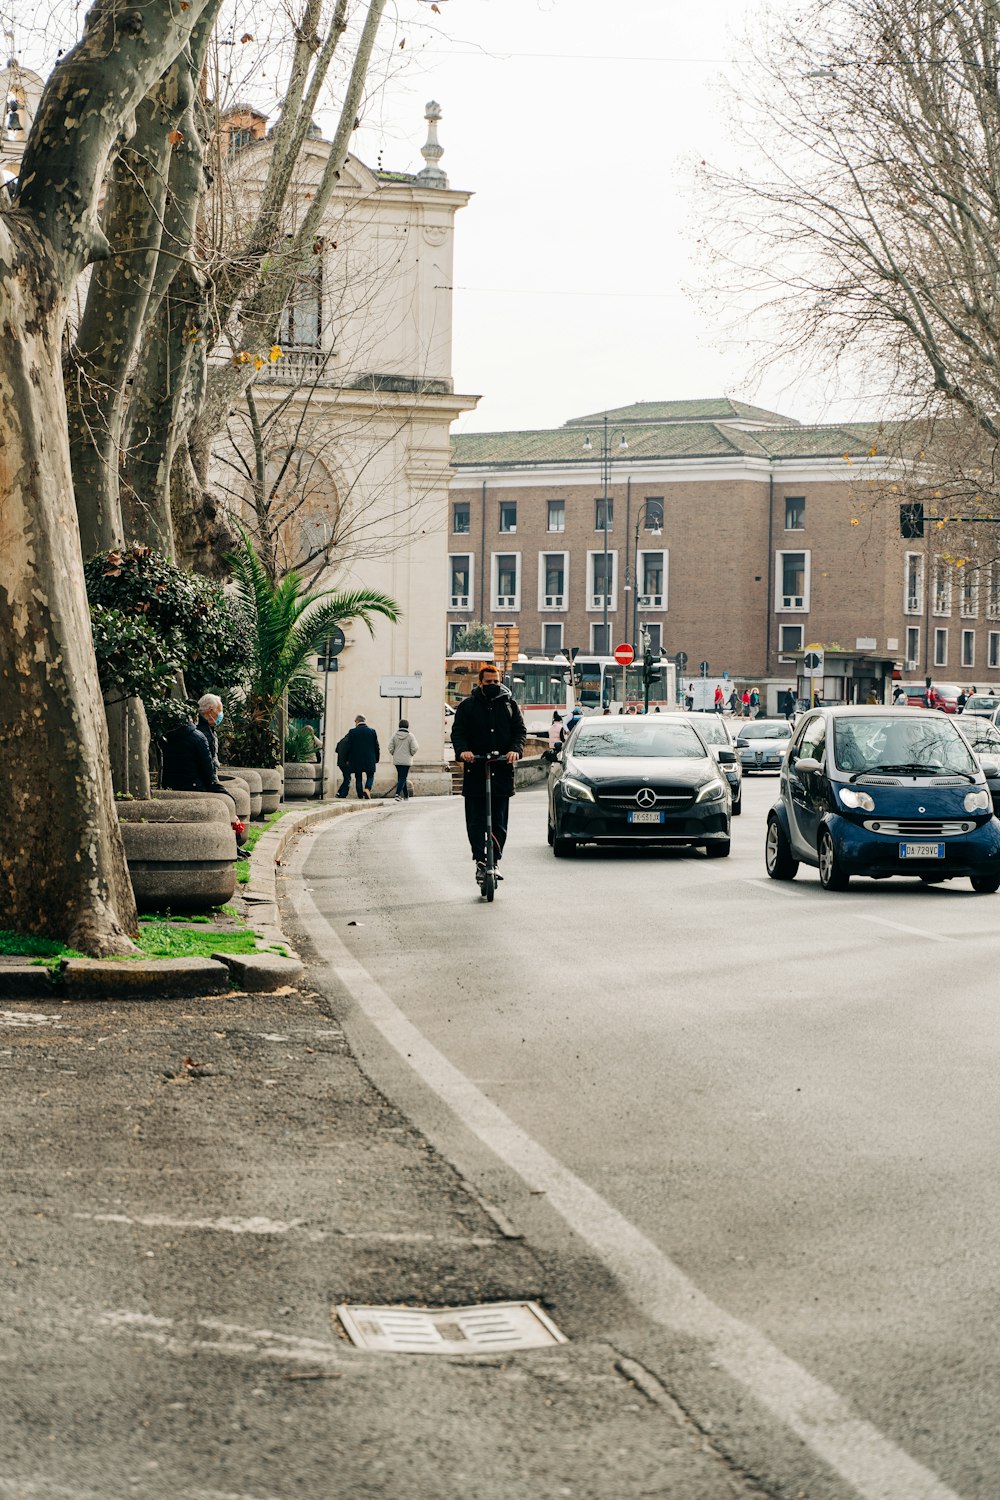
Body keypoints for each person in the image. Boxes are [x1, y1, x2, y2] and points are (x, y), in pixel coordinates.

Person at [450, 663, 526, 880]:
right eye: (488, 682)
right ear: (480, 683)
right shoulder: (468, 706)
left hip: (501, 771)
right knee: (475, 820)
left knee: (500, 820)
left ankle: (496, 859)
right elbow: (459, 732)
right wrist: (463, 751)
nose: (492, 685)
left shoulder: (510, 705)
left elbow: (519, 732)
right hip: (476, 771)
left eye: (496, 681)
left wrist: (514, 750)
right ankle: (480, 860)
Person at [160, 714, 227, 796]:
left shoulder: (165, 738)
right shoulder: (198, 738)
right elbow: (207, 767)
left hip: (169, 787)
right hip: (194, 787)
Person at [343, 714, 380, 799]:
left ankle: (360, 796)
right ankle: (367, 789)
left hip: (356, 759)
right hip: (370, 758)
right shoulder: (372, 731)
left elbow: (348, 747)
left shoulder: (352, 732)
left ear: (357, 721)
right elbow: (376, 746)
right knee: (370, 776)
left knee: (358, 777)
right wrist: (377, 758)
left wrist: (346, 759)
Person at [388, 719, 419, 801]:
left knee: (401, 777)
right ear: (407, 726)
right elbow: (415, 748)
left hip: (397, 760)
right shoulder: (410, 736)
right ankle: (397, 794)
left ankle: (406, 795)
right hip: (406, 760)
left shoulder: (394, 735)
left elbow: (390, 747)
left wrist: (394, 754)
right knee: (403, 777)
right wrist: (411, 754)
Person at [196, 693, 224, 772]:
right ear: (210, 711)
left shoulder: (209, 729)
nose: (221, 715)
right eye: (220, 711)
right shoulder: (202, 732)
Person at [334, 731, 353, 798]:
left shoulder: (341, 741)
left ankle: (341, 793)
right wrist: (348, 760)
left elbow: (336, 750)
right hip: (346, 763)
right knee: (347, 779)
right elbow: (350, 752)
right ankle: (341, 793)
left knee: (346, 778)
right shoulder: (349, 742)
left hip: (340, 763)